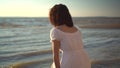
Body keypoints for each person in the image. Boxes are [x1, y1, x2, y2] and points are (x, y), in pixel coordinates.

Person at [49, 4, 91, 68]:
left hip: (70, 62)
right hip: (84, 60)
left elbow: (56, 56)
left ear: (54, 17)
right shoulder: (77, 29)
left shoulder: (56, 31)